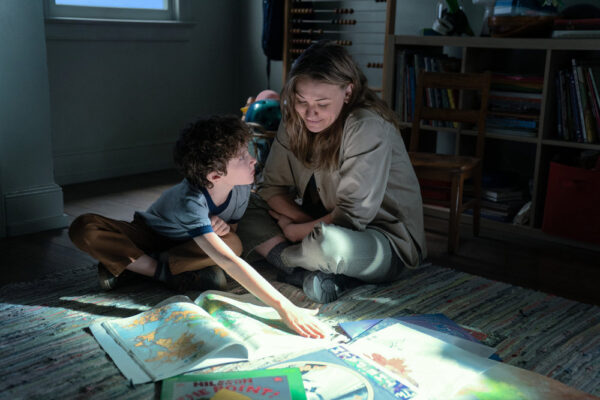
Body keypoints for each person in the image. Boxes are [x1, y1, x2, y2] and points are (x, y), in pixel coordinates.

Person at [68, 115, 326, 338]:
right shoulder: (190, 202)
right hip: (149, 235)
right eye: (242, 158)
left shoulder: (241, 188)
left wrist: (223, 228)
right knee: (84, 227)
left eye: (248, 154)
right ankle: (160, 271)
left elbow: (230, 239)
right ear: (215, 176)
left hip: (188, 246)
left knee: (234, 244)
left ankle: (130, 268)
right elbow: (228, 263)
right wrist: (283, 307)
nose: (252, 161)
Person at [237, 41, 428, 304]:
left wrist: (295, 232)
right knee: (240, 203)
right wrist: (305, 224)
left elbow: (350, 217)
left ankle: (287, 260)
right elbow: (271, 188)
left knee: (329, 246)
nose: (309, 113)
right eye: (301, 100)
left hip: (382, 240)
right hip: (320, 223)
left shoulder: (366, 126)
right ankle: (307, 270)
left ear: (348, 92)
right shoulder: (295, 118)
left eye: (322, 103)